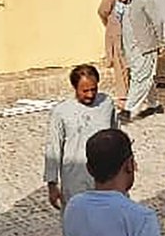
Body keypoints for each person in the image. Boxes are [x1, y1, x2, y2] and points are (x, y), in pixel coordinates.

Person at [44, 64, 118, 211]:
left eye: (94, 89)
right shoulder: (61, 112)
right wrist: (52, 184)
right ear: (75, 88)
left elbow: (116, 135)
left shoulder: (107, 104)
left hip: (104, 178)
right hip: (75, 179)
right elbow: (53, 148)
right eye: (85, 91)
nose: (90, 95)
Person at [114, 0, 163, 123]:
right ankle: (155, 105)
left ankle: (129, 110)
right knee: (144, 76)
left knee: (140, 78)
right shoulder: (120, 2)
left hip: (145, 46)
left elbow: (157, 21)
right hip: (130, 47)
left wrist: (159, 41)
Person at [97, 0, 130, 107]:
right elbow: (102, 11)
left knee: (127, 63)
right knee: (119, 63)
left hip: (127, 33)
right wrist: (110, 24)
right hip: (116, 34)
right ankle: (123, 95)